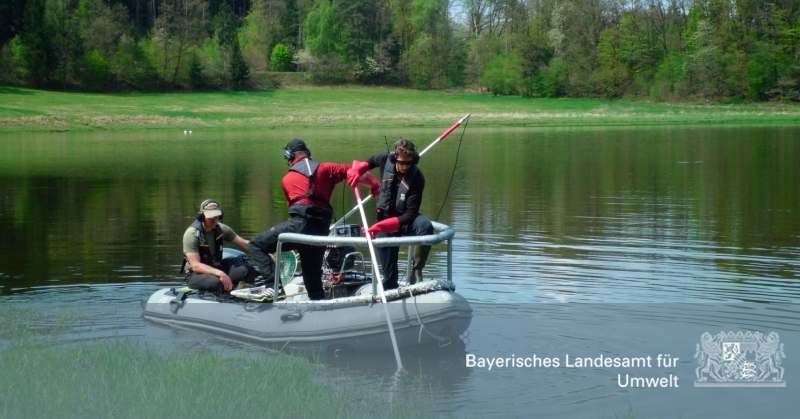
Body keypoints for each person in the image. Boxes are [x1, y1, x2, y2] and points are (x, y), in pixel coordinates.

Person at [248, 139, 378, 300]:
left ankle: (272, 287)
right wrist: (374, 185)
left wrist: (297, 241)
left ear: (289, 156)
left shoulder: (287, 180)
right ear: (308, 153)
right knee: (313, 282)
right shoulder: (327, 168)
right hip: (320, 231)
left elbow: (295, 214)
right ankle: (320, 307)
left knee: (256, 245)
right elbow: (357, 171)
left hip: (300, 225)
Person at [347, 138, 433, 290]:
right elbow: (365, 163)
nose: (405, 167)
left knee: (425, 226)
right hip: (385, 221)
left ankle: (417, 270)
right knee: (389, 268)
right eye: (402, 162)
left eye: (409, 163)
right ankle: (389, 285)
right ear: (394, 158)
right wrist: (357, 171)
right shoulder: (384, 159)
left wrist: (380, 226)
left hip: (405, 220)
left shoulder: (418, 178)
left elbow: (411, 214)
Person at [181, 199, 255, 293]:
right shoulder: (192, 234)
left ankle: (243, 297)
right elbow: (196, 266)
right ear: (202, 217)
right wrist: (220, 274)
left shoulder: (221, 228)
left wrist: (266, 252)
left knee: (248, 270)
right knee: (216, 282)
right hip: (196, 274)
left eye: (217, 217)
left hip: (216, 266)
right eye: (211, 218)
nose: (215, 221)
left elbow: (244, 244)